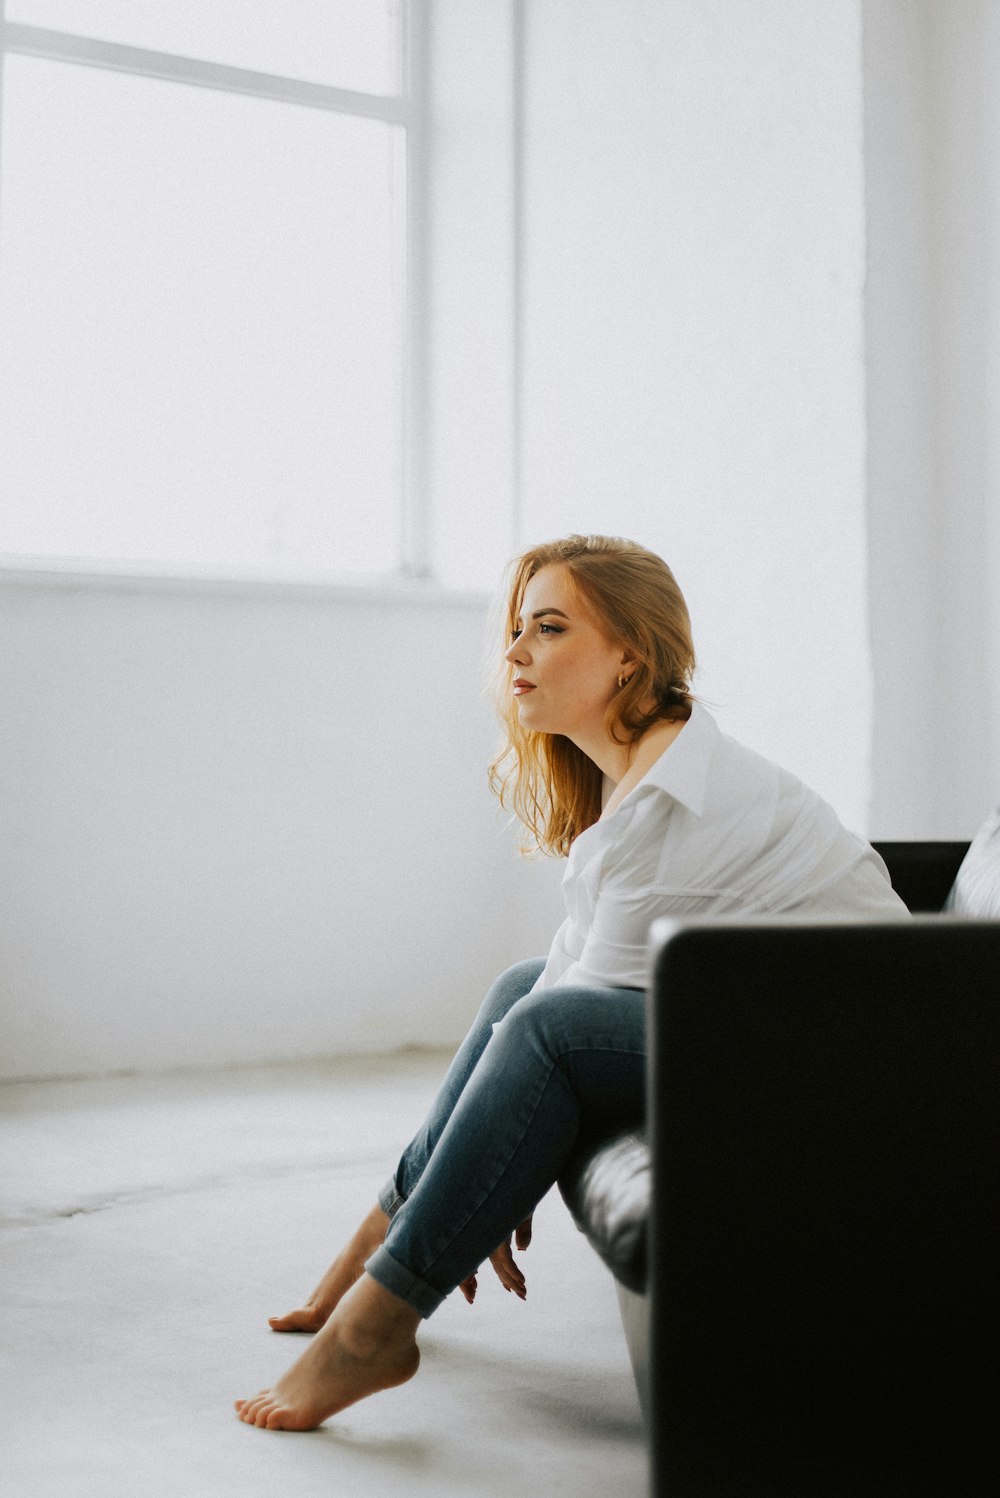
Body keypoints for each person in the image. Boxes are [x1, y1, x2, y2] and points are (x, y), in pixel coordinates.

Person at [234, 533, 907, 1432]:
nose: (515, 653)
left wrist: (500, 1178)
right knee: (523, 988)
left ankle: (377, 1325)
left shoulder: (674, 804)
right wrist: (478, 1183)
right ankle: (375, 1246)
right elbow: (559, 975)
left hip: (871, 1049)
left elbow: (569, 1031)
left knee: (544, 1032)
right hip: (771, 1008)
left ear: (630, 653)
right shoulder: (648, 767)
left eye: (548, 629)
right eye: (518, 629)